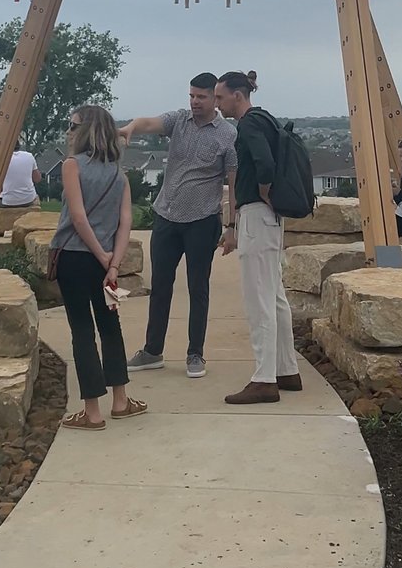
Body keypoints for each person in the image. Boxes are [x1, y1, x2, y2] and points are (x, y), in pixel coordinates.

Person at [120, 73, 237, 379]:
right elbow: (150, 123)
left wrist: (232, 226)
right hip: (166, 217)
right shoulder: (179, 121)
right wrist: (131, 127)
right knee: (160, 286)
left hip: (202, 221)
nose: (195, 102)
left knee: (198, 288)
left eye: (201, 97)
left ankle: (195, 354)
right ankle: (152, 351)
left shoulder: (227, 135)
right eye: (191, 96)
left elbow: (233, 182)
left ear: (215, 99)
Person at [49, 105, 147, 430]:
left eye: (73, 125)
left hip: (74, 258)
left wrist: (101, 256)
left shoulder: (72, 165)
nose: (69, 131)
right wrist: (113, 263)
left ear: (86, 130)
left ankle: (92, 412)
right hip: (107, 266)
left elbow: (78, 218)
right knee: (110, 327)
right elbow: (125, 222)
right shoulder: (119, 175)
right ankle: (121, 401)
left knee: (82, 330)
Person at [214, 70, 301, 406]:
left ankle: (264, 379)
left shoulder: (248, 124)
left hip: (256, 214)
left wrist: (264, 191)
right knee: (274, 295)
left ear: (237, 95)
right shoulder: (267, 119)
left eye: (220, 97)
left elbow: (264, 163)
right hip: (270, 219)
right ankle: (286, 369)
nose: (218, 104)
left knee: (258, 299)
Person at [0, 142, 42, 209]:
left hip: (8, 201)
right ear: (19, 146)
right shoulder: (29, 156)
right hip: (28, 199)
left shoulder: (2, 158)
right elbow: (37, 179)